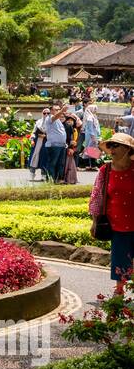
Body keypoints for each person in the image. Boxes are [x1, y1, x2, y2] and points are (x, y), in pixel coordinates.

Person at [89, 132, 134, 292]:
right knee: (120, 259)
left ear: (128, 149)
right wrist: (94, 222)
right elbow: (97, 197)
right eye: (110, 146)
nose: (112, 149)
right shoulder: (105, 170)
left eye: (116, 145)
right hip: (117, 224)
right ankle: (119, 291)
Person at [41, 102, 69, 183]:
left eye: (59, 109)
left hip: (61, 145)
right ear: (51, 111)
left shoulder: (58, 120)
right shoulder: (49, 118)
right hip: (54, 145)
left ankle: (58, 179)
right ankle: (51, 179)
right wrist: (62, 111)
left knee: (60, 163)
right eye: (56, 109)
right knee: (52, 163)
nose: (58, 111)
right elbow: (55, 117)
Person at [28, 108, 50, 181]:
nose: (46, 115)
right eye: (44, 113)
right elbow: (33, 132)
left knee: (44, 158)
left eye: (48, 113)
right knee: (34, 157)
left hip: (46, 142)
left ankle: (43, 175)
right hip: (37, 142)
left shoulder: (52, 122)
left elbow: (54, 133)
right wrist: (32, 140)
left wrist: (46, 136)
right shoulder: (38, 122)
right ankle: (32, 174)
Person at [80, 103, 102, 170]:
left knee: (93, 150)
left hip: (94, 135)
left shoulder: (93, 116)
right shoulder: (90, 118)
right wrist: (93, 136)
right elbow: (90, 129)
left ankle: (92, 165)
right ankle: (88, 165)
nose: (96, 110)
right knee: (89, 149)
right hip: (91, 136)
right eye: (95, 109)